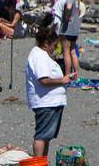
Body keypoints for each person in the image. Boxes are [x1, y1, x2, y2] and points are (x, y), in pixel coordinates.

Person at [25, 25, 70, 158]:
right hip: (45, 102)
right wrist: (62, 80)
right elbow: (43, 80)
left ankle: (42, 164)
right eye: (54, 45)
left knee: (47, 136)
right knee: (42, 135)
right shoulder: (39, 56)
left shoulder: (41, 54)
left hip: (50, 102)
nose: (55, 49)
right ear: (46, 44)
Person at [57, 0, 82, 79]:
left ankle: (67, 74)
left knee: (66, 52)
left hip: (67, 29)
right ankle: (76, 74)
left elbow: (68, 7)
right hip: (75, 29)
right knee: (73, 51)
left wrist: (66, 18)